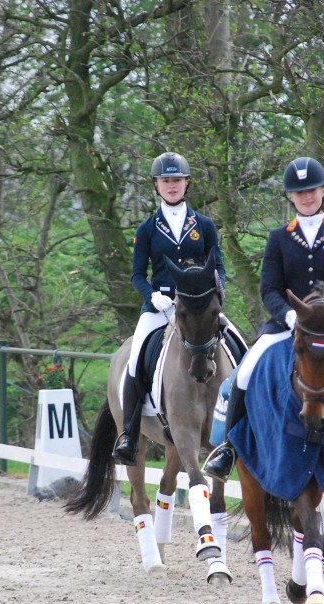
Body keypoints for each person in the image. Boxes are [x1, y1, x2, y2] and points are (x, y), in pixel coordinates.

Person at [203, 156, 324, 481]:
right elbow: (270, 288)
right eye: (299, 191)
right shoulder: (279, 237)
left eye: (312, 190)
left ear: (323, 191)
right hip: (287, 325)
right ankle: (227, 450)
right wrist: (289, 315)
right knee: (243, 375)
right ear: (291, 196)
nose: (307, 196)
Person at [112, 151, 235, 465]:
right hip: (162, 305)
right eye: (166, 181)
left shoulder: (204, 225)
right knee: (136, 357)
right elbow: (137, 274)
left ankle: (246, 419)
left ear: (187, 183)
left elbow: (218, 267)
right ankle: (128, 432)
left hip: (200, 306)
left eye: (177, 180)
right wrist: (153, 296)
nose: (172, 186)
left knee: (240, 347)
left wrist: (217, 292)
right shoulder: (147, 229)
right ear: (156, 185)